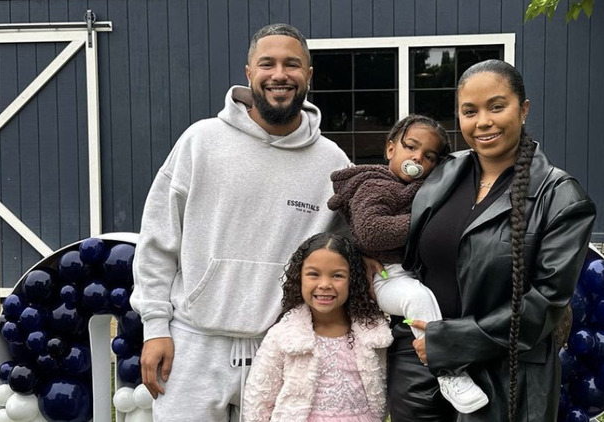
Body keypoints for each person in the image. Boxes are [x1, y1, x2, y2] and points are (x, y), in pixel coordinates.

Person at [130, 24, 351, 422]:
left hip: (284, 345)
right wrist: (154, 327)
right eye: (267, 63)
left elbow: (347, 254)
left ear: (309, 76)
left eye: (292, 64)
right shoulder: (200, 142)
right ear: (249, 73)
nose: (279, 74)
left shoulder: (332, 162)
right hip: (193, 343)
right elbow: (158, 242)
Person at [388, 59, 597, 421]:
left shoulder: (561, 198)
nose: (482, 121)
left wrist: (449, 342)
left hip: (503, 378)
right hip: (418, 369)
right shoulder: (441, 175)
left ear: (524, 109)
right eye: (470, 111)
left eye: (496, 107)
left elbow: (544, 304)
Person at [327, 114, 489, 414]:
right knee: (417, 297)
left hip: (408, 272)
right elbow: (371, 232)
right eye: (411, 147)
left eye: (429, 156)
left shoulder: (421, 189)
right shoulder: (374, 185)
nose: (418, 158)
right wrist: (426, 220)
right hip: (385, 277)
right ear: (391, 149)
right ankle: (447, 372)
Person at [242, 232, 392, 422]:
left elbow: (383, 388)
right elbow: (258, 399)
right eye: (313, 274)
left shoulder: (373, 334)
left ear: (353, 280)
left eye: (337, 275)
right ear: (299, 277)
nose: (325, 285)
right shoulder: (284, 335)